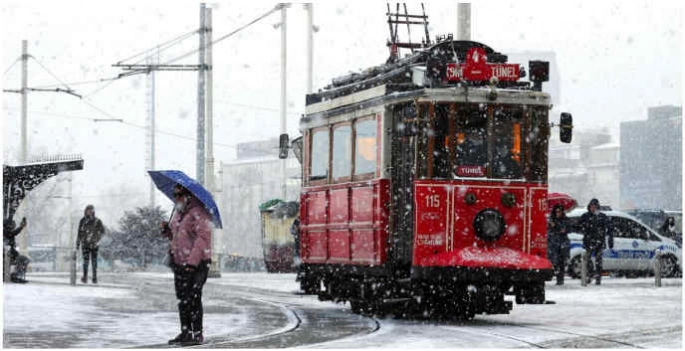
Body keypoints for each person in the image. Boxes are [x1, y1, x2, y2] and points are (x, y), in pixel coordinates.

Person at [160, 184, 212, 346]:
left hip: (197, 264)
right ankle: (185, 332)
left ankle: (197, 333)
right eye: (175, 196)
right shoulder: (178, 214)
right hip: (179, 263)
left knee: (194, 298)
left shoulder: (199, 213)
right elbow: (177, 237)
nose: (176, 199)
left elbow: (202, 239)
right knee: (182, 299)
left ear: (188, 196)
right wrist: (167, 232)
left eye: (179, 195)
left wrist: (192, 262)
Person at [578, 198, 613, 285]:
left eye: (594, 207)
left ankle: (598, 277)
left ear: (597, 207)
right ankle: (590, 275)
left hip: (599, 242)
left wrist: (610, 239)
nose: (593, 208)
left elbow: (610, 228)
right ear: (589, 207)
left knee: (598, 260)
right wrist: (583, 228)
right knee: (587, 260)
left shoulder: (602, 217)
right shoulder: (585, 216)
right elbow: (578, 226)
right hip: (588, 241)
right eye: (591, 207)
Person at [76, 205, 105, 284]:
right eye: (88, 210)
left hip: (94, 244)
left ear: (93, 211)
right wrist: (78, 244)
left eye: (91, 210)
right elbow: (79, 232)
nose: (89, 212)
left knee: (94, 261)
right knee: (86, 261)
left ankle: (94, 277)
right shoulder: (82, 220)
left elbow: (103, 231)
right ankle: (85, 277)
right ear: (85, 211)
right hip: (85, 244)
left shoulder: (97, 221)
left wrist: (97, 239)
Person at [547, 204, 570, 285]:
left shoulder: (565, 220)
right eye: (556, 211)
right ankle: (557, 276)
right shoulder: (551, 219)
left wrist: (556, 226)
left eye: (559, 211)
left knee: (561, 262)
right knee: (554, 262)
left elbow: (564, 230)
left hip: (562, 244)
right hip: (553, 244)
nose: (558, 213)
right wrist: (551, 226)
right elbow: (549, 231)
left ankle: (560, 279)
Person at [3, 217, 31, 283]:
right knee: (22, 260)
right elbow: (14, 233)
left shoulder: (8, 232)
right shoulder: (5, 231)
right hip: (7, 253)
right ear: (7, 225)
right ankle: (14, 274)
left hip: (11, 253)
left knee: (24, 260)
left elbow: (13, 233)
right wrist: (21, 227)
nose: (13, 226)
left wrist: (21, 226)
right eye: (11, 225)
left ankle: (17, 274)